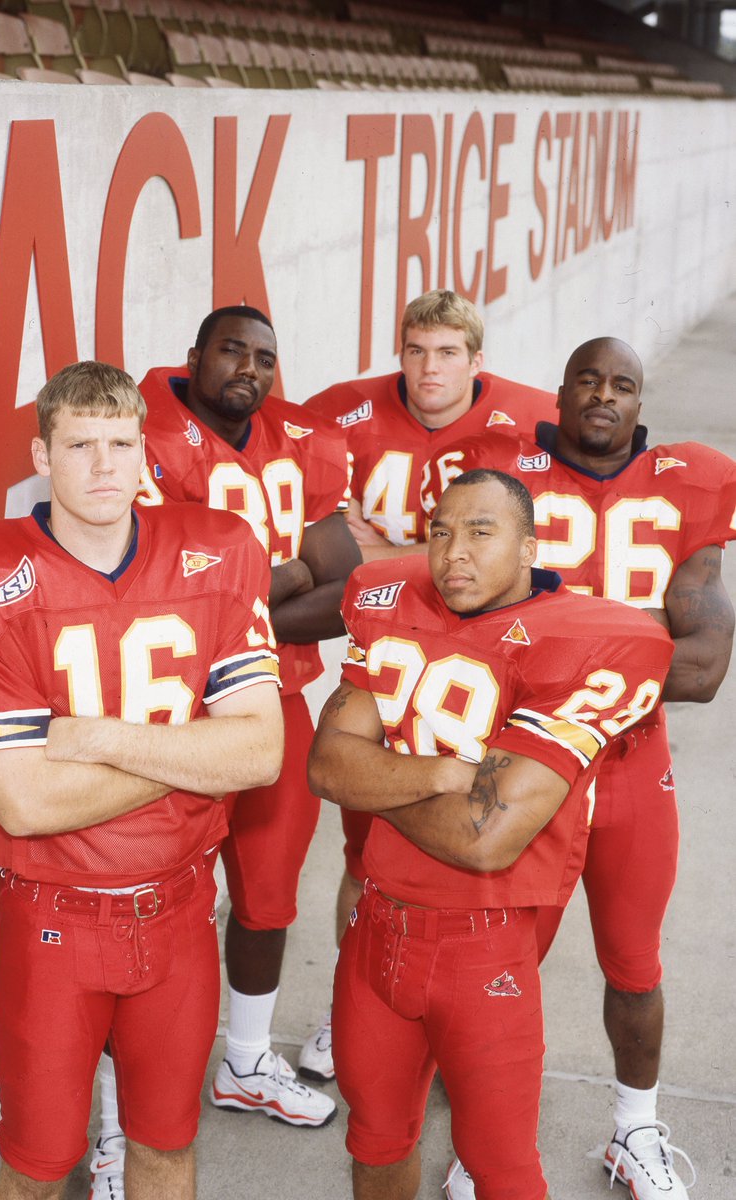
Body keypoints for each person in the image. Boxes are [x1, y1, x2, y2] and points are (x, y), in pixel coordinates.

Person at [0, 361, 284, 1200]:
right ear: (42, 454)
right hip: (53, 922)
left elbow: (260, 755)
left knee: (166, 1147)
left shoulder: (215, 546)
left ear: (145, 450)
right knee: (38, 1165)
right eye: (79, 445)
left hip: (182, 910)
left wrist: (98, 738)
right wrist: (193, 755)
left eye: (119, 443)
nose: (104, 465)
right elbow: (26, 802)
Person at [307, 469, 674, 1200]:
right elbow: (324, 766)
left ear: (530, 546)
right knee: (374, 1142)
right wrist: (445, 774)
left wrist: (381, 775)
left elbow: (483, 838)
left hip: (483, 949)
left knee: (501, 1169)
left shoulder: (590, 639)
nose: (452, 552)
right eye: (440, 530)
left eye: (480, 531)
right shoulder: (392, 605)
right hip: (374, 929)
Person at [445, 337, 736, 1200]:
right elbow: (472, 638)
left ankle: (634, 1129)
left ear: (639, 403)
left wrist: (548, 655)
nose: (602, 396)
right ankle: (484, 1139)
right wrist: (630, 640)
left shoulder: (690, 482)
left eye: (621, 385)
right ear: (560, 391)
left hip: (629, 768)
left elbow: (703, 667)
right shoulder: (498, 473)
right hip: (525, 765)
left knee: (634, 963)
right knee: (496, 967)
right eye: (587, 379)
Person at [300, 289, 556, 1081]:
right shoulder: (340, 414)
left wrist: (400, 548)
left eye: (446, 352)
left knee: (482, 831)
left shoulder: (529, 423)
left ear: (476, 361)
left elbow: (517, 542)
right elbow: (312, 509)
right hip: (392, 644)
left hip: (486, 656)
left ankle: (465, 1014)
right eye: (414, 350)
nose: (428, 368)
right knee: (363, 844)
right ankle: (353, 1005)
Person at [127, 307, 359, 1135]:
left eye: (265, 356)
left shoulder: (294, 442)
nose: (250, 369)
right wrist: (293, 577)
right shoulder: (140, 435)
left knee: (267, 896)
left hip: (276, 701)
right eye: (233, 349)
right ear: (193, 356)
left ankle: (247, 1059)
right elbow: (163, 597)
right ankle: (126, 1120)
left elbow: (346, 582)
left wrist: (264, 590)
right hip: (166, 713)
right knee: (150, 902)